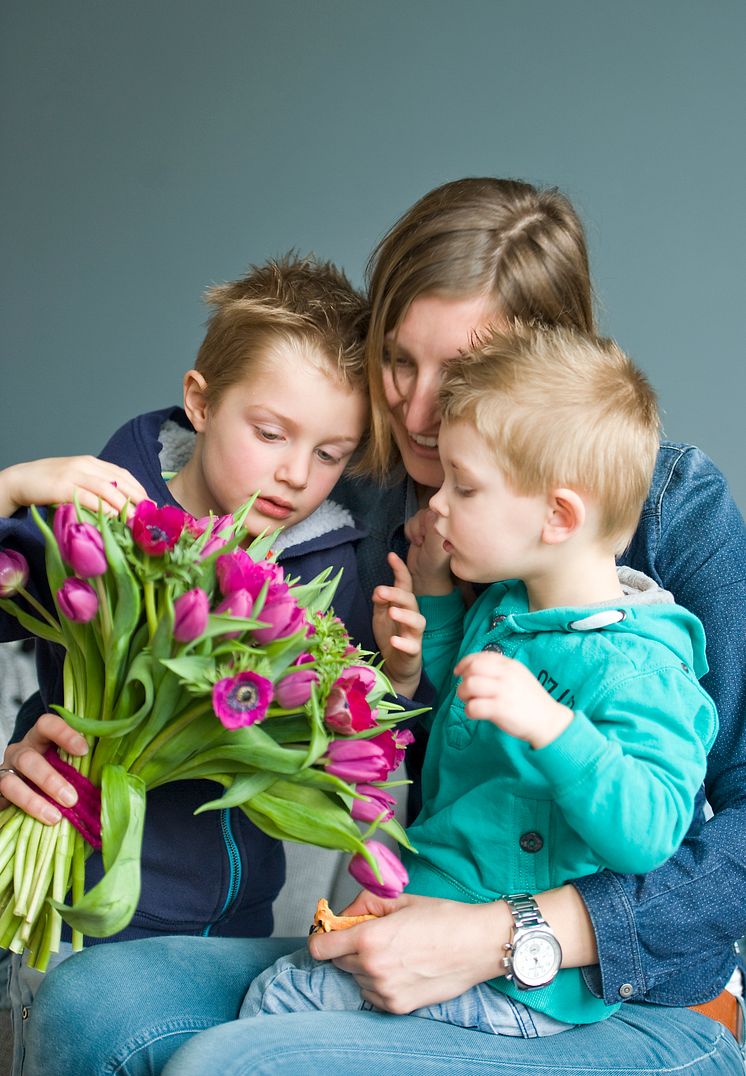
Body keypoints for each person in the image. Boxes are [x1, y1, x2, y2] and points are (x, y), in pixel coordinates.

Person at [18, 178, 746, 1074]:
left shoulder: (668, 508)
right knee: (88, 1006)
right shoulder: (346, 480)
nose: (416, 411)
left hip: (603, 993)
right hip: (413, 926)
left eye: (466, 373)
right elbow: (171, 619)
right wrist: (61, 746)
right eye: (398, 361)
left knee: (230, 1064)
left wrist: (499, 936)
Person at [236, 324, 718, 1037]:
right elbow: (461, 690)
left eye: (465, 487)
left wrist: (554, 729)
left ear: (558, 516)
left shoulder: (643, 666)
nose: (438, 504)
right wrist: (432, 596)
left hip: (524, 985)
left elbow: (648, 835)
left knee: (282, 1005)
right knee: (288, 983)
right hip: (436, 905)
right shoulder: (513, 603)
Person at [0, 254, 372, 1068]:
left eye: (331, 453)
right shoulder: (103, 501)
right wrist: (12, 489)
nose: (293, 474)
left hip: (232, 923)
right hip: (68, 896)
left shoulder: (324, 564)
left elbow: (330, 736)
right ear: (201, 402)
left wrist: (392, 681)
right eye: (270, 433)